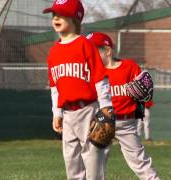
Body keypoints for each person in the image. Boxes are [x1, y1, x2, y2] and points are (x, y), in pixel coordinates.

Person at [43, 1, 114, 179]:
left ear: (76, 19)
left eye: (61, 14)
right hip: (67, 114)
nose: (56, 18)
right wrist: (56, 113)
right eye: (54, 15)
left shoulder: (85, 45)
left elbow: (100, 77)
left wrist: (106, 106)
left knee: (92, 159)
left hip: (87, 109)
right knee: (71, 160)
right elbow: (55, 87)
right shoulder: (53, 52)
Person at [87, 32, 160, 180]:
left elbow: (142, 97)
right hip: (102, 122)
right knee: (95, 162)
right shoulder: (92, 72)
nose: (89, 57)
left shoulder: (129, 67)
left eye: (93, 52)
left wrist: (139, 116)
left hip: (126, 123)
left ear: (107, 50)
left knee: (139, 160)